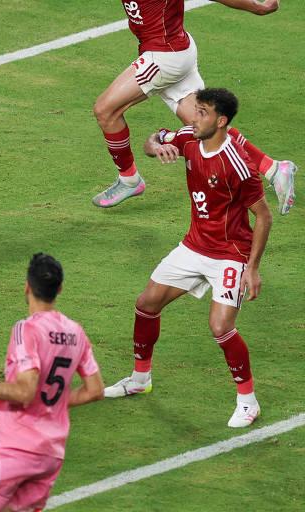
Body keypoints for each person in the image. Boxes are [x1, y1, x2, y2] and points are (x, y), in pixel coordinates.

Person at [104, 88, 272, 428]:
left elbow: (263, 217)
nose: (194, 118)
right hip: (193, 246)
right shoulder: (188, 138)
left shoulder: (238, 165)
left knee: (221, 326)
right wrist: (158, 146)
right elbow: (153, 140)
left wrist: (251, 269)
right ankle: (140, 378)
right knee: (146, 303)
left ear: (221, 121)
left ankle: (248, 401)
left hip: (229, 254)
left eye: (203, 113)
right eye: (195, 111)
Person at [91, 0, 296, 215]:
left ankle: (129, 179)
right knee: (205, 128)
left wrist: (258, 7)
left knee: (105, 110)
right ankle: (274, 168)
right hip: (174, 49)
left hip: (164, 55)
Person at [0, 253, 104, 512]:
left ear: (27, 286)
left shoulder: (26, 329)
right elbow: (95, 390)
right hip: (52, 453)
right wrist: (54, 404)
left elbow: (25, 392)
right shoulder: (76, 332)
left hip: (19, 447)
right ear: (59, 289)